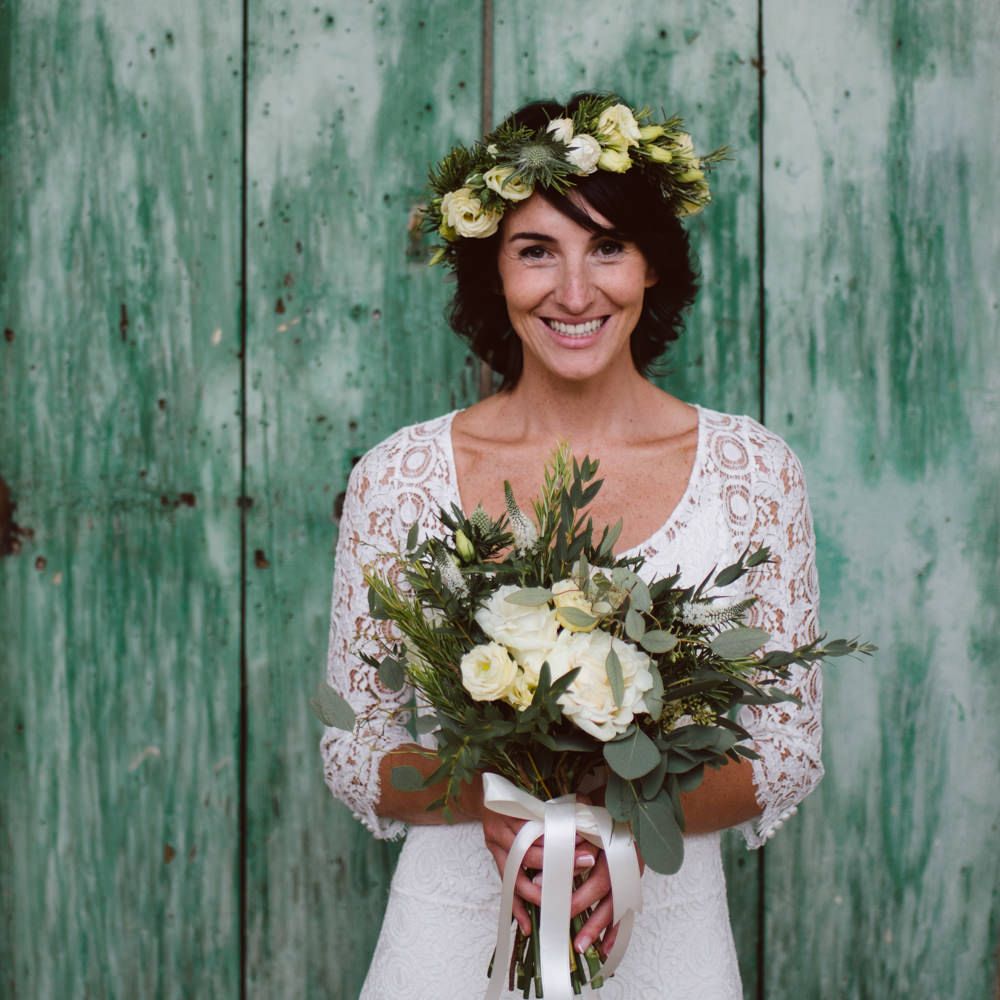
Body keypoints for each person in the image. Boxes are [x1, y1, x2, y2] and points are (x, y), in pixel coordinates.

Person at [321, 93, 822, 999]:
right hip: (450, 941)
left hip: (663, 936)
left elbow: (787, 751)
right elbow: (356, 751)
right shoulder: (398, 477)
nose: (577, 292)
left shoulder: (754, 470)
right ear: (492, 273)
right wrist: (505, 800)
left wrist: (607, 815)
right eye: (536, 250)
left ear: (653, 268)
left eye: (609, 248)